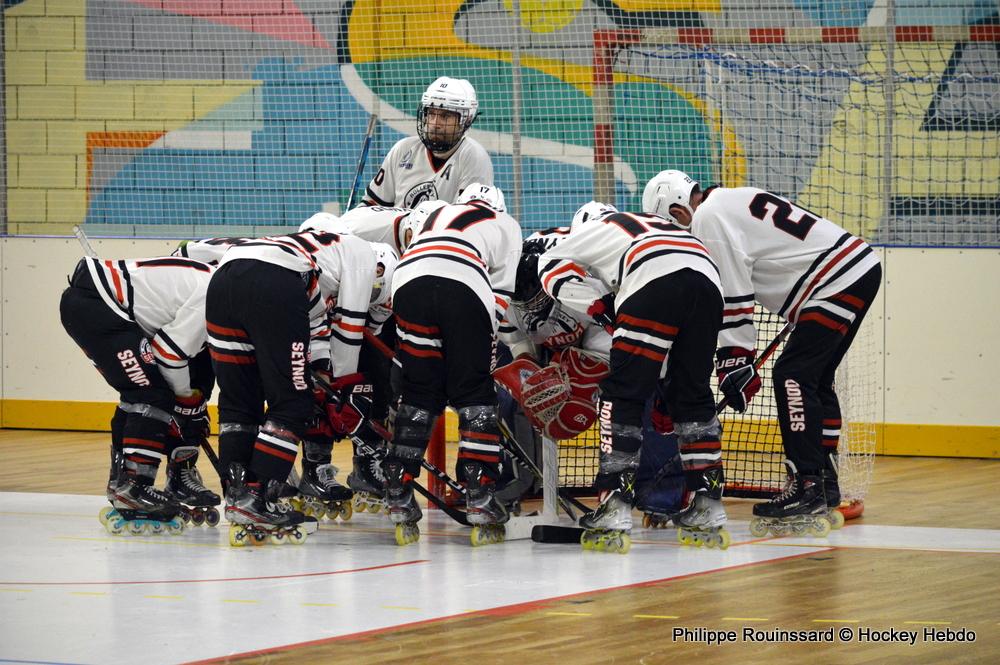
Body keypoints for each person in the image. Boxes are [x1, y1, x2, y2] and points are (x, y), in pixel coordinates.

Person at [642, 170, 882, 536]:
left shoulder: (708, 217)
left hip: (834, 278)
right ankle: (824, 482)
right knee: (814, 379)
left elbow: (734, 297)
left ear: (677, 212)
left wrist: (734, 360)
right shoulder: (729, 199)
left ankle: (806, 486)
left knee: (792, 375)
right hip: (856, 267)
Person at [538, 206, 727, 553]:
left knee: (621, 395)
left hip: (651, 277)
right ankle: (709, 505)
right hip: (709, 279)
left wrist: (597, 304)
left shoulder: (590, 231)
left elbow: (548, 266)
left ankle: (614, 505)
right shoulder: (644, 224)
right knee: (693, 395)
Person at [205, 230, 389, 545]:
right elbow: (349, 330)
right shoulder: (363, 256)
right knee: (293, 403)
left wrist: (322, 373)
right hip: (273, 283)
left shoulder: (322, 261)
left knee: (240, 400)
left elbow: (314, 328)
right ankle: (259, 495)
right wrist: (342, 391)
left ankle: (237, 495)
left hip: (223, 282)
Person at [384, 183, 522, 546]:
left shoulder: (436, 211)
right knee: (474, 393)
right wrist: (477, 358)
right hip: (463, 282)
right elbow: (500, 297)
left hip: (406, 279)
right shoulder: (506, 222)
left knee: (419, 392)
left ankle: (397, 487)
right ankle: (479, 491)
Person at [59, 255, 220, 536]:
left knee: (140, 392)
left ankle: (124, 481)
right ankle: (135, 486)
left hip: (95, 302)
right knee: (152, 395)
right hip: (98, 306)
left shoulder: (219, 281)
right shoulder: (216, 294)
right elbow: (170, 355)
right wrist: (186, 400)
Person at [362, 77, 493, 208]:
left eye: (445, 116)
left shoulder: (473, 157)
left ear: (467, 120)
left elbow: (470, 219)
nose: (435, 124)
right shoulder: (403, 149)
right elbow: (372, 205)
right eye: (431, 113)